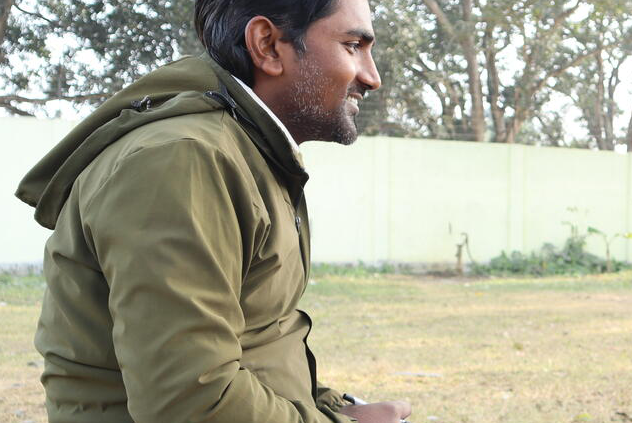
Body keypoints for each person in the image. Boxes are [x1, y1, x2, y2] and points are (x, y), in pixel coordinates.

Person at [14, 0, 412, 421]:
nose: (373, 77)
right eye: (353, 45)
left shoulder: (248, 153)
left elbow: (254, 339)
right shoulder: (182, 160)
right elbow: (190, 402)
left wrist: (333, 408)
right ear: (268, 46)